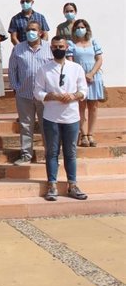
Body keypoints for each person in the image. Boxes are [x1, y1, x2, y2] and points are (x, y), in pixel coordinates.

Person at [34, 36, 89, 201]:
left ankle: (72, 184)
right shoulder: (44, 69)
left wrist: (73, 96)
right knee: (52, 152)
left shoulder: (76, 68)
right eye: (55, 46)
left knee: (70, 152)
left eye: (61, 46)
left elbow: (83, 90)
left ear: (67, 48)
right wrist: (52, 96)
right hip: (51, 117)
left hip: (71, 117)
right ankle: (52, 185)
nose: (58, 48)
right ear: (51, 48)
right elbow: (38, 92)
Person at [8, 21, 53, 165]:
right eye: (28, 30)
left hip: (45, 95)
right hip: (24, 94)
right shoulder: (18, 48)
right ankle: (26, 155)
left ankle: (50, 155)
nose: (30, 32)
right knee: (26, 125)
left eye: (33, 29)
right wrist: (16, 87)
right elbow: (12, 69)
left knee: (47, 125)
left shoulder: (49, 48)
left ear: (40, 32)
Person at [67, 19, 104, 147]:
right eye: (77, 27)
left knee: (93, 107)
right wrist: (82, 76)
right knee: (81, 106)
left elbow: (99, 59)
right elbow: (70, 62)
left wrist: (91, 73)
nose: (80, 29)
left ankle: (91, 134)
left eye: (82, 27)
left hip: (94, 77)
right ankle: (83, 135)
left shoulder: (93, 42)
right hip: (79, 78)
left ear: (87, 29)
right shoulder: (71, 44)